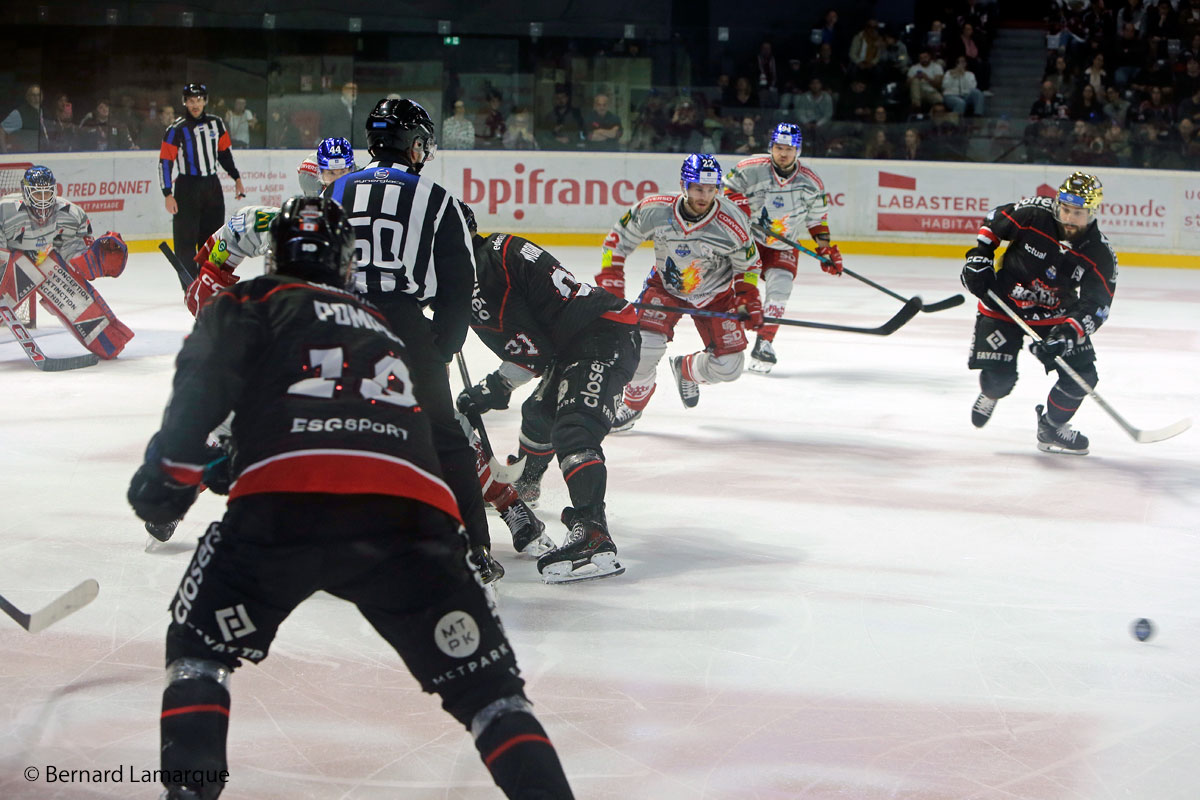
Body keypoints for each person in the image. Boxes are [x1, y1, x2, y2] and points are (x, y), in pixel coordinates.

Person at [126, 195, 576, 800]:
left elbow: (192, 420)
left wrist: (162, 492)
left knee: (198, 651)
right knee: (492, 697)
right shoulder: (383, 328)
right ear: (346, 261)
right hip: (411, 523)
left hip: (282, 512)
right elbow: (393, 436)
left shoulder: (247, 302)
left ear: (276, 253)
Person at [325, 98, 503, 581]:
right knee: (444, 438)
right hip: (401, 324)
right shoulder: (436, 197)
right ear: (413, 143)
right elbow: (457, 286)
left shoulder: (334, 189)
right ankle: (474, 547)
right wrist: (440, 349)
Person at [455, 204, 639, 583]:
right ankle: (527, 483)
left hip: (602, 338)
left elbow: (530, 352)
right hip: (581, 336)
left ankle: (592, 531)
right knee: (538, 414)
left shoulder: (481, 277)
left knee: (573, 431)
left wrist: (492, 388)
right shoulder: (499, 247)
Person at [593, 154, 763, 430]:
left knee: (730, 367)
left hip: (716, 297)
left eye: (711, 189)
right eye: (698, 188)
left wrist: (747, 295)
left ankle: (687, 369)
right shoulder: (654, 209)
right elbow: (615, 242)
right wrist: (610, 277)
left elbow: (750, 264)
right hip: (666, 288)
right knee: (643, 350)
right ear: (683, 184)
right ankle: (633, 405)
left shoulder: (732, 221)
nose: (704, 196)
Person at [959, 172, 1117, 455]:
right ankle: (990, 393)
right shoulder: (1035, 212)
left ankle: (1052, 427)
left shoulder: (1100, 253)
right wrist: (979, 257)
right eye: (1065, 209)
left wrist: (1068, 335)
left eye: (1077, 213)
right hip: (1004, 304)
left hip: (1056, 315)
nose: (1068, 218)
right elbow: (994, 221)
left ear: (1092, 213)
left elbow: (1097, 305)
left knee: (1082, 377)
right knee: (999, 381)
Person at [722, 123, 843, 374]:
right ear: (771, 148)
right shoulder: (750, 168)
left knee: (781, 289)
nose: (784, 153)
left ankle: (765, 343)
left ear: (798, 150)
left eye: (790, 148)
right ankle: (731, 340)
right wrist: (738, 203)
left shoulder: (811, 183)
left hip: (783, 243)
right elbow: (725, 188)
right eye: (779, 147)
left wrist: (825, 249)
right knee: (744, 296)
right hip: (749, 243)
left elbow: (817, 219)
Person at [0, 166, 132, 359]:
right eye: (38, 194)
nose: (44, 199)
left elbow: (73, 250)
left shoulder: (71, 213)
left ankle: (109, 341)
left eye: (47, 193)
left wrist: (92, 259)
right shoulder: (5, 210)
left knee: (78, 300)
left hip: (46, 262)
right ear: (26, 193)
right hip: (11, 264)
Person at [159, 83, 246, 257]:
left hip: (212, 186)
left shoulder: (217, 124)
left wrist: (236, 178)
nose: (195, 105)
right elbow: (165, 162)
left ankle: (209, 280)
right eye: (191, 101)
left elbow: (224, 154)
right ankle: (190, 283)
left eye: (198, 100)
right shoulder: (176, 130)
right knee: (186, 238)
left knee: (214, 238)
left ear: (205, 101)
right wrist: (167, 194)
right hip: (187, 188)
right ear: (185, 102)